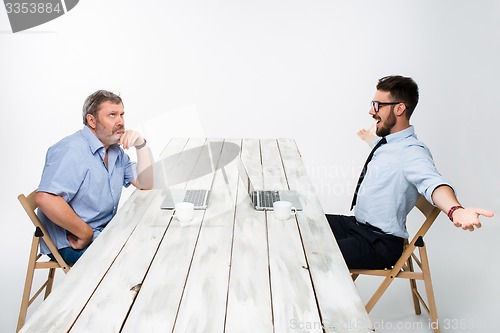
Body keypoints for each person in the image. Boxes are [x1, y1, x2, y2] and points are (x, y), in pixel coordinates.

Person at [326, 75, 494, 269]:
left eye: (377, 105)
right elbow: (390, 157)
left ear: (399, 108)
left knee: (311, 255)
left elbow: (432, 182)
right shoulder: (391, 143)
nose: (371, 111)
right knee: (302, 223)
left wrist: (456, 210)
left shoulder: (412, 152)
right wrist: (371, 141)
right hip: (357, 226)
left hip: (378, 243)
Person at [35, 90, 154, 266]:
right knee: (133, 263)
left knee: (150, 244)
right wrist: (85, 233)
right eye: (112, 115)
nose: (120, 121)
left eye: (121, 114)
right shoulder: (71, 150)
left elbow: (145, 183)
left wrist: (141, 144)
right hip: (71, 243)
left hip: (104, 231)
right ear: (91, 120)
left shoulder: (114, 150)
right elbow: (44, 198)